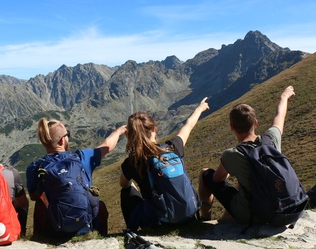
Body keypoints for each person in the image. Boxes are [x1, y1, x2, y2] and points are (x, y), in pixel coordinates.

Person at [198, 86, 296, 224]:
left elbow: (216, 179)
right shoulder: (271, 138)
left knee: (205, 174)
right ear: (255, 123)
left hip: (254, 216)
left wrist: (229, 171)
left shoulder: (232, 154)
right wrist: (284, 97)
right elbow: (279, 116)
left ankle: (205, 219)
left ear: (231, 127)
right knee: (245, 183)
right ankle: (224, 218)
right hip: (286, 209)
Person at [26, 118, 127, 238]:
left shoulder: (35, 167)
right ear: (62, 140)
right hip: (84, 227)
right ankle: (99, 235)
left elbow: (33, 196)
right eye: (67, 134)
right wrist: (120, 131)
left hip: (53, 229)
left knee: (39, 203)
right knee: (100, 205)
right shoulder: (81, 158)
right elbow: (107, 146)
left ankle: (40, 238)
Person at [120, 98, 210, 230]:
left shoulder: (132, 162)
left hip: (160, 223)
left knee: (126, 192)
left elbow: (123, 184)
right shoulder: (172, 148)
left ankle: (133, 231)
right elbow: (188, 125)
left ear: (130, 135)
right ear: (154, 128)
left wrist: (134, 183)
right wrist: (200, 108)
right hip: (188, 217)